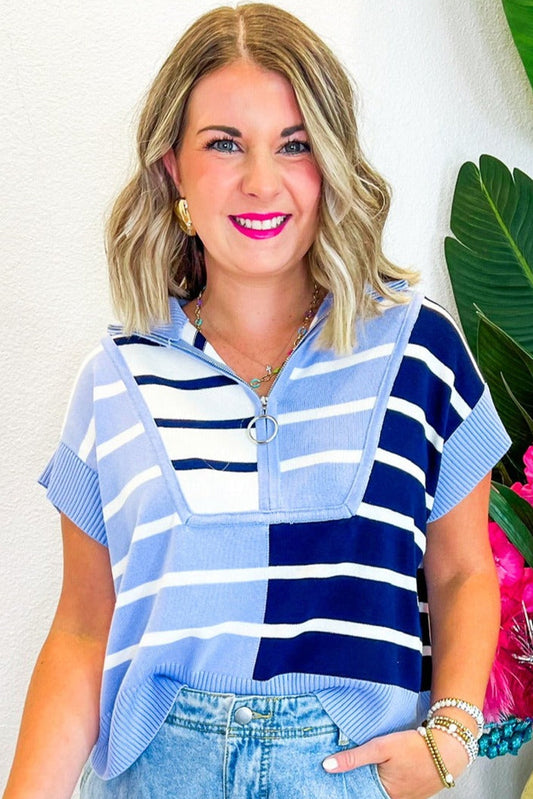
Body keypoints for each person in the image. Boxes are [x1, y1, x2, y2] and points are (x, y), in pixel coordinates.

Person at [3, 4, 511, 799]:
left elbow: (461, 572)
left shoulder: (419, 351)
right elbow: (82, 626)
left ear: (331, 162)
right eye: (224, 143)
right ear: (172, 168)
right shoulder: (116, 378)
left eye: (294, 144)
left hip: (347, 775)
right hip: (156, 777)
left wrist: (448, 739)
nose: (261, 182)